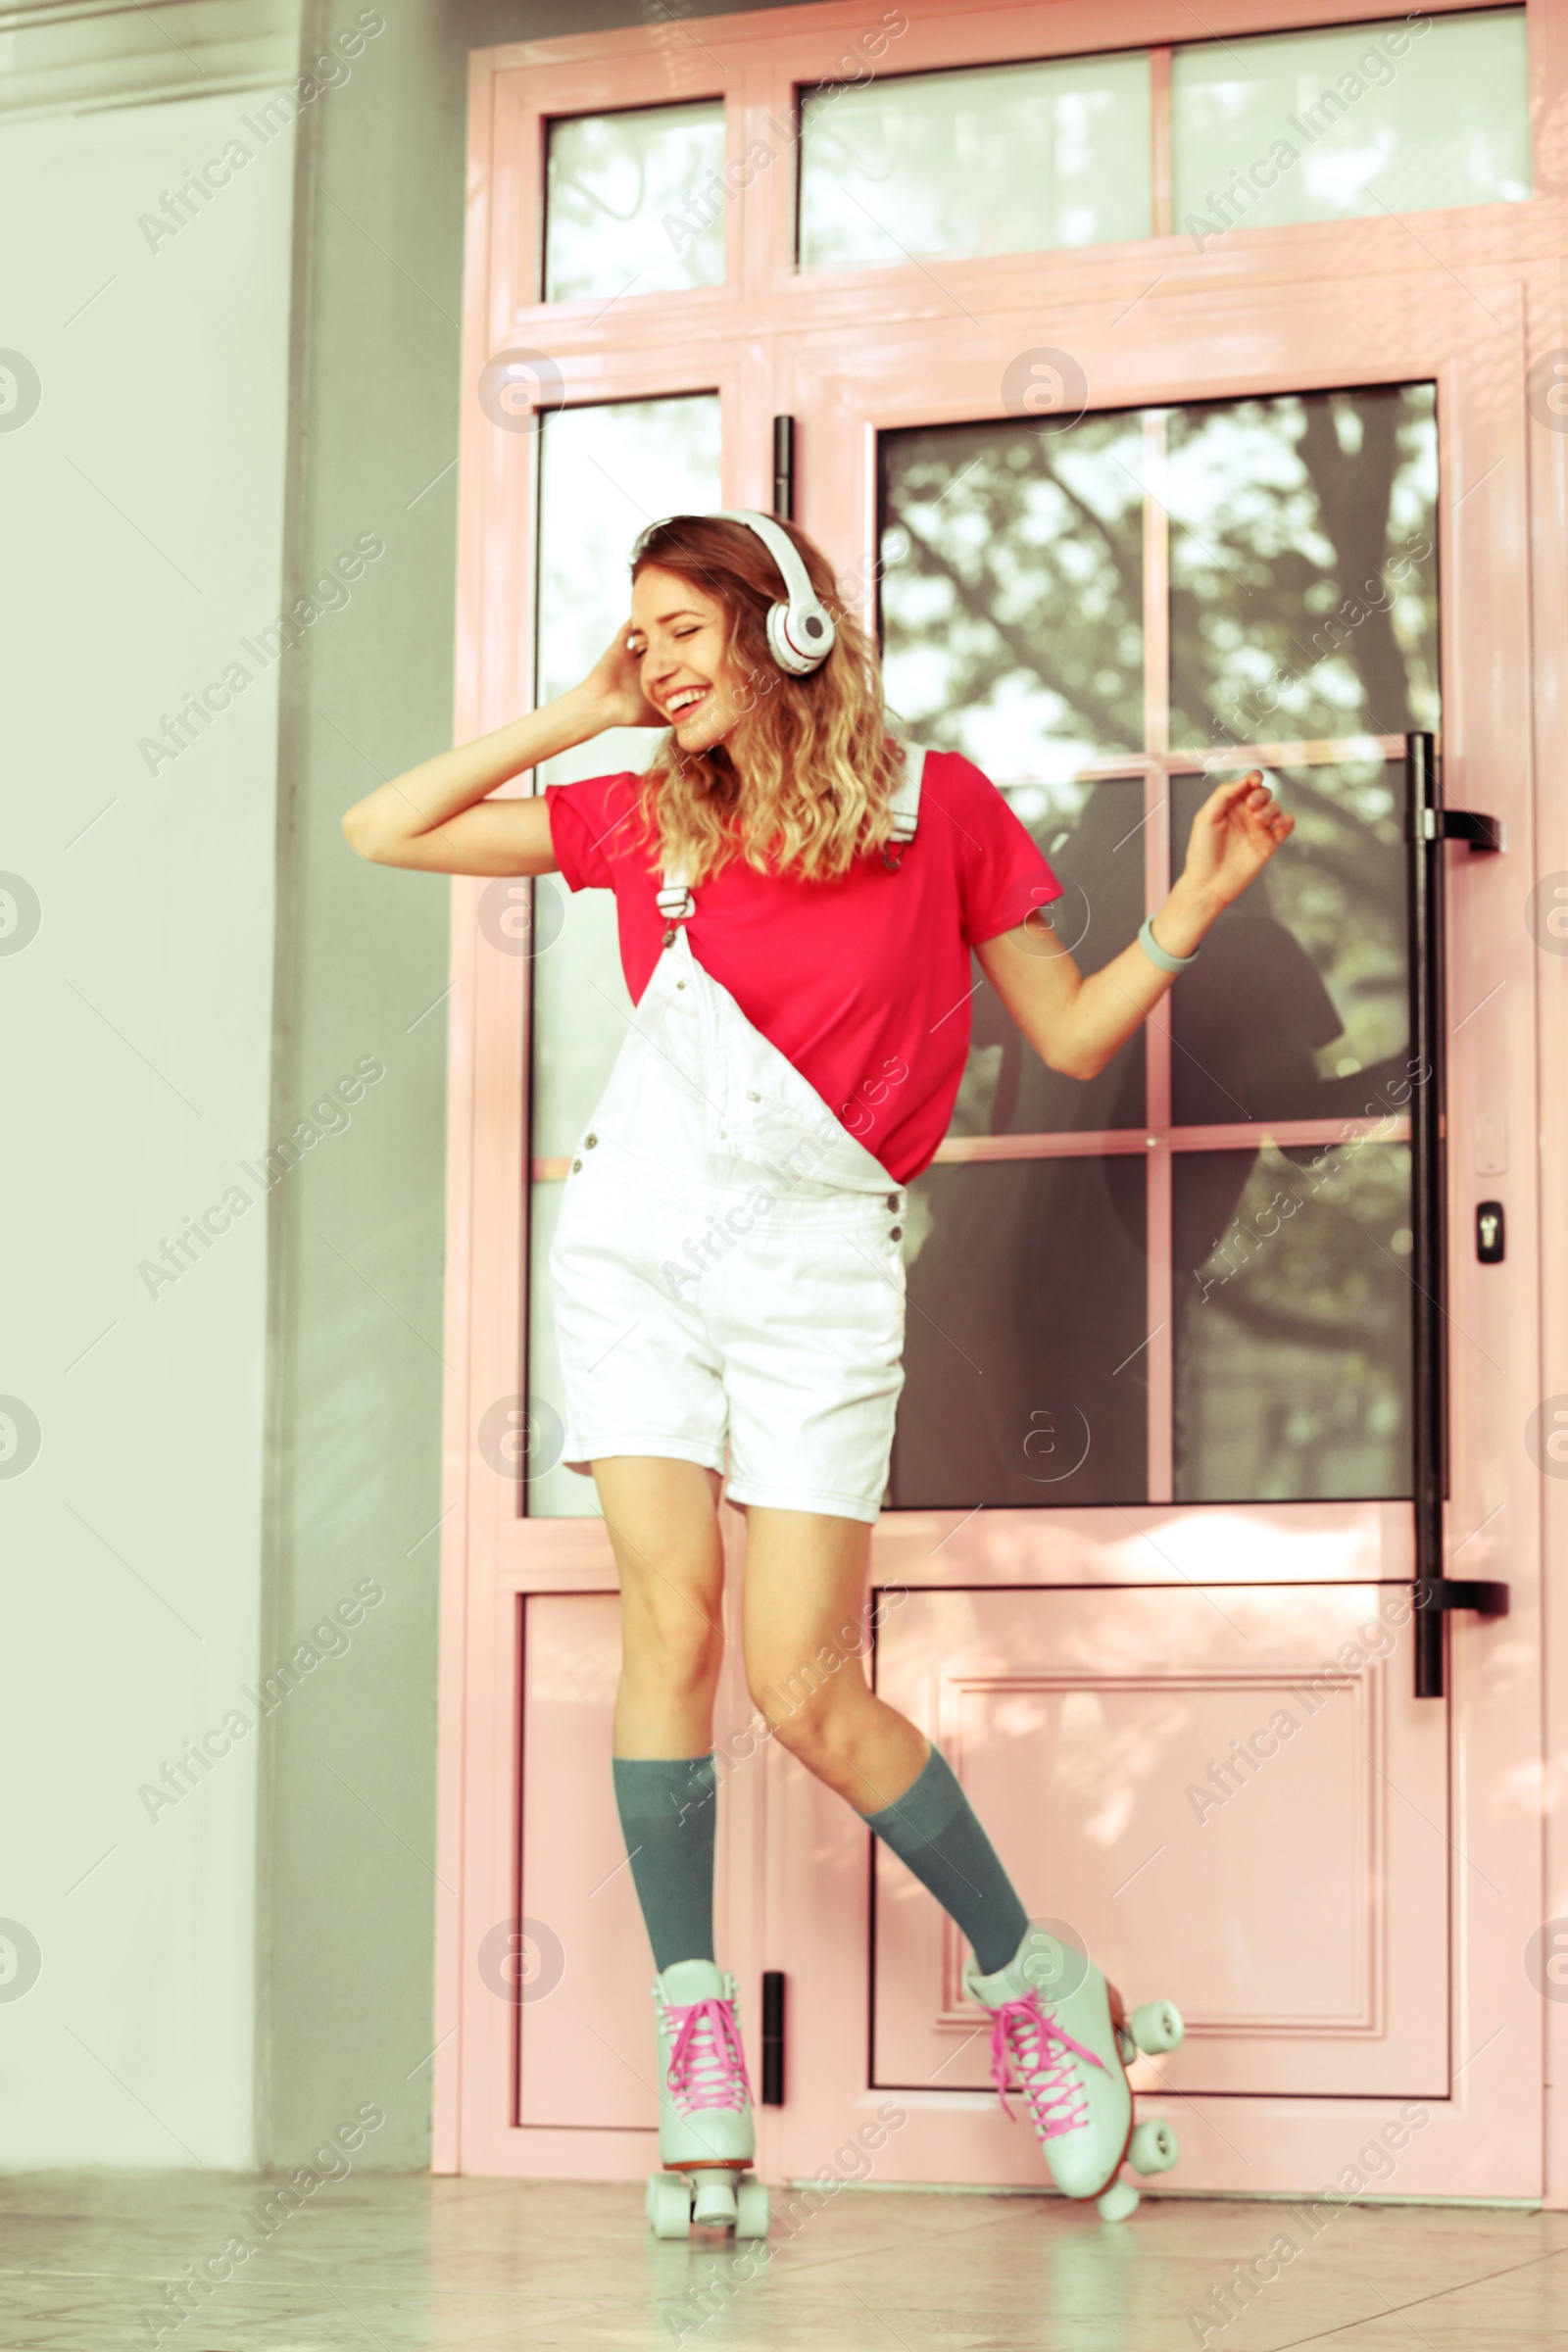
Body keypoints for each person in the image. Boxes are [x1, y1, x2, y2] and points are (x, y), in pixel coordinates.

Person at [342, 510, 1294, 2230]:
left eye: (681, 631)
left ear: (783, 630)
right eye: (637, 636)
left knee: (800, 1684)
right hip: (637, 1241)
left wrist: (1197, 908)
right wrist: (578, 711)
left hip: (818, 1270)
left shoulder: (941, 814)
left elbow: (1069, 1033)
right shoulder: (641, 814)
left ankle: (1037, 1985)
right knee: (673, 1630)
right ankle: (695, 2041)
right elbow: (380, 828)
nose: (659, 665)